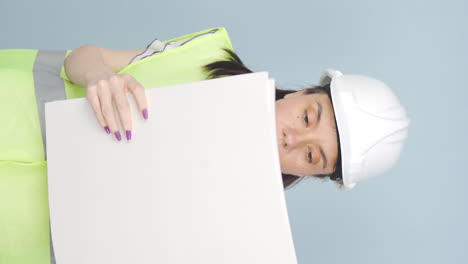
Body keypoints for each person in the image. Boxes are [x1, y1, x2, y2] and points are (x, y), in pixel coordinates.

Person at [0, 27, 410, 264]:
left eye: (311, 155)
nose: (292, 138)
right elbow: (84, 56)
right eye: (308, 117)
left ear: (310, 173)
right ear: (301, 93)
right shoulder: (211, 54)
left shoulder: (236, 238)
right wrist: (96, 76)